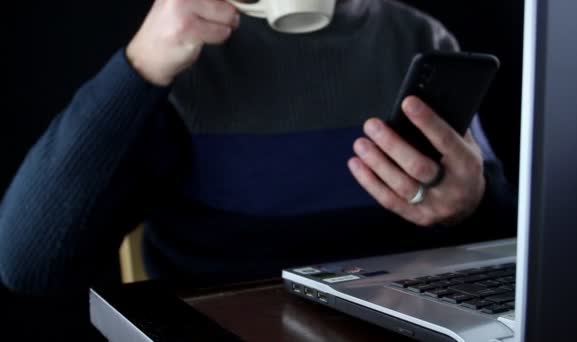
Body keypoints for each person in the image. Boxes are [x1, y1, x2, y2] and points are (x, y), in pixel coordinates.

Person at [0, 0, 516, 335]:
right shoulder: (186, 53)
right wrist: (142, 63)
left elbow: (509, 242)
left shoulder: (418, 35)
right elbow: (31, 263)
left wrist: (472, 203)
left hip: (407, 325)